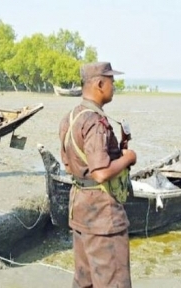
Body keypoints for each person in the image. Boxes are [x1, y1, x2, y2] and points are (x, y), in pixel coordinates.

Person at [59, 62, 137, 288]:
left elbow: (69, 164)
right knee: (114, 281)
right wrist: (128, 158)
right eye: (111, 82)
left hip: (80, 208)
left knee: (85, 280)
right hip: (103, 215)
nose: (114, 86)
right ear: (100, 84)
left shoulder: (71, 117)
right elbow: (101, 173)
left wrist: (118, 148)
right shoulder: (95, 121)